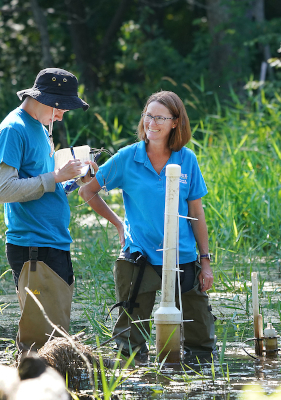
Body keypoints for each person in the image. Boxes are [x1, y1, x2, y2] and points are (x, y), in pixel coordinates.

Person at [79, 90, 216, 360]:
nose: (152, 123)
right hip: (138, 259)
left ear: (175, 122)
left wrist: (206, 260)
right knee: (130, 347)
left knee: (201, 343)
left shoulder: (187, 158)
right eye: (148, 116)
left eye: (160, 118)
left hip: (182, 258)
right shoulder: (127, 157)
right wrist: (119, 224)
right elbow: (87, 191)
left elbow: (197, 213)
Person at [0, 68, 95, 351]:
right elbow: (3, 190)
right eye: (61, 107)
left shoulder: (39, 128)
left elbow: (46, 186)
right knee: (40, 344)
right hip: (33, 248)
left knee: (55, 337)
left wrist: (74, 180)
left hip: (53, 242)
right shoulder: (14, 129)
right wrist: (56, 177)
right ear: (45, 98)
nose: (62, 115)